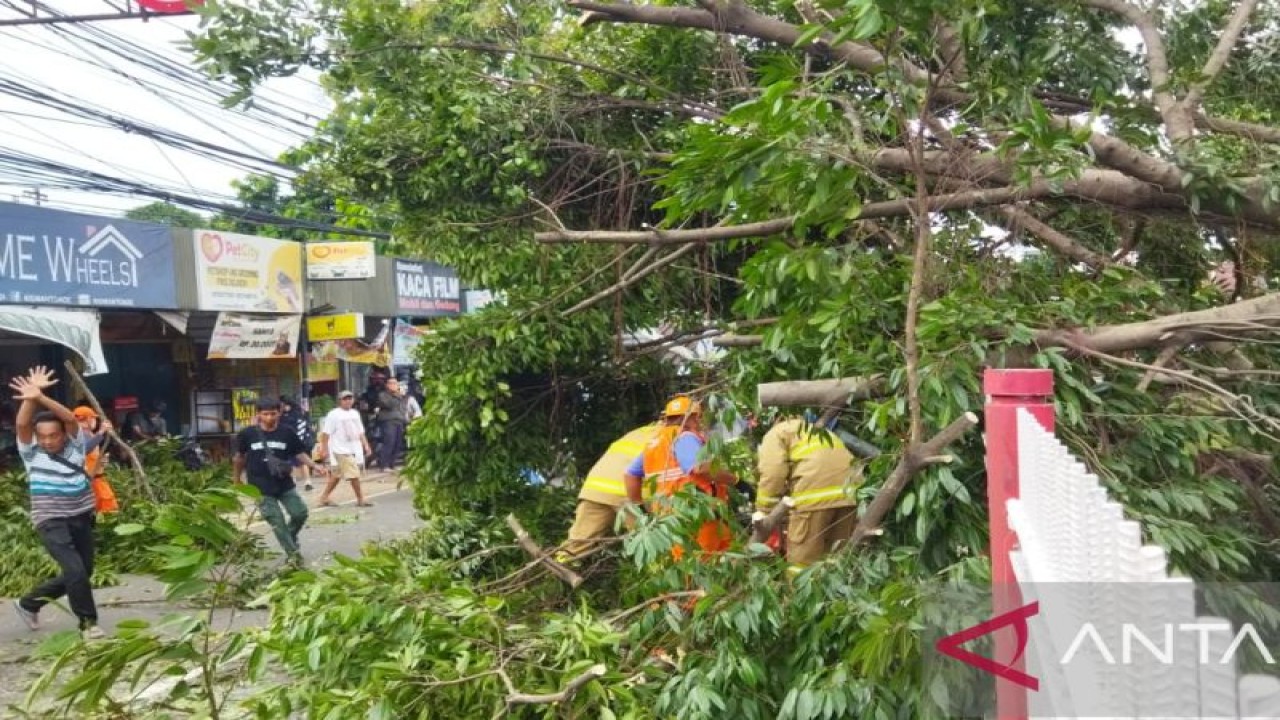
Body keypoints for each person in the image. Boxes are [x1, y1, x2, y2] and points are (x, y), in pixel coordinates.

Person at [9, 366, 106, 639]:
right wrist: (30, 399)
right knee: (74, 570)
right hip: (50, 519)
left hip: (81, 515)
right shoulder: (31, 453)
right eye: (43, 436)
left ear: (64, 434)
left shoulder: (76, 447)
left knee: (83, 571)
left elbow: (69, 418)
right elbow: (22, 425)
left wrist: (41, 397)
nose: (48, 441)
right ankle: (88, 624)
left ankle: (28, 603)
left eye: (53, 435)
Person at [623, 395, 736, 560]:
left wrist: (639, 507)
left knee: (702, 558)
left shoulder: (655, 443)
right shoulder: (685, 437)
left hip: (671, 517)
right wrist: (736, 481)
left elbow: (630, 474)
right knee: (703, 563)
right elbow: (699, 468)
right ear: (694, 417)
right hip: (697, 514)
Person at [755, 414, 863, 572]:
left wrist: (764, 510)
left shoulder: (776, 433)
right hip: (850, 494)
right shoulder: (816, 431)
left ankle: (796, 588)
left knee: (801, 564)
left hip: (815, 495)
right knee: (835, 558)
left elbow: (773, 473)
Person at [232, 397, 329, 567]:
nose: (269, 417)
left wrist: (315, 465)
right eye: (265, 414)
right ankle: (293, 555)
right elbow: (239, 458)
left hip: (284, 483)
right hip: (259, 486)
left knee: (300, 513)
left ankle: (289, 537)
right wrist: (236, 479)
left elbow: (299, 453)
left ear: (280, 413)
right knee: (276, 521)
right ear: (258, 414)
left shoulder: (287, 432)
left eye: (273, 413)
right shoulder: (247, 434)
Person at [556, 422, 660, 562]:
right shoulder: (672, 435)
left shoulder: (640, 432)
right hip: (627, 492)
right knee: (652, 542)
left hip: (596, 488)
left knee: (576, 545)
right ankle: (658, 570)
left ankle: (556, 568)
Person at [313, 390, 375, 508]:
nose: (348, 401)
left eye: (350, 398)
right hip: (340, 449)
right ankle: (360, 499)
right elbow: (326, 433)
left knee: (337, 475)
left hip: (353, 448)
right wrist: (324, 448)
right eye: (345, 399)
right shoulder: (334, 414)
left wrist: (366, 445)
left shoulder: (355, 413)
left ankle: (324, 497)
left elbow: (360, 431)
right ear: (340, 401)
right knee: (354, 474)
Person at [72, 406, 117, 514]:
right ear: (88, 419)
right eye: (94, 418)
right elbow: (85, 449)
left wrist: (101, 460)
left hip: (96, 479)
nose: (95, 421)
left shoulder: (89, 434)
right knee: (107, 510)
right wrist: (101, 431)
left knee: (104, 510)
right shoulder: (79, 434)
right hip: (90, 481)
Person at [371, 377, 408, 471]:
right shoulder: (383, 395)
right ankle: (384, 465)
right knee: (389, 442)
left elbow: (402, 408)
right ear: (387, 385)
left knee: (397, 443)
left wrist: (404, 419)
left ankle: (392, 464)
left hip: (399, 421)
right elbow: (389, 404)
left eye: (395, 383)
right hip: (388, 421)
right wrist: (397, 395)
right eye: (391, 383)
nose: (393, 385)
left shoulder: (400, 396)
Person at [280, 396, 315, 491]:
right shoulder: (285, 415)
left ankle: (304, 482)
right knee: (295, 463)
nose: (282, 406)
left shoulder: (294, 415)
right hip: (292, 442)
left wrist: (297, 441)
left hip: (295, 442)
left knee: (299, 462)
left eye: (283, 404)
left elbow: (301, 428)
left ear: (287, 404)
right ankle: (300, 481)